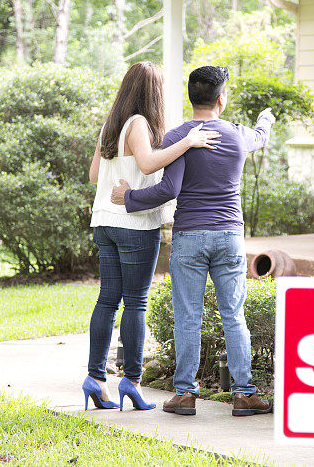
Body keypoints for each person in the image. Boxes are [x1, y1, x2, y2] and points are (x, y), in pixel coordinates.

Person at [111, 65, 275, 416]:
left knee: (188, 316)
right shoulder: (236, 135)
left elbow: (168, 189)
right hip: (230, 235)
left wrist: (128, 197)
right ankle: (244, 394)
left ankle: (185, 394)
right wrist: (266, 119)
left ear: (192, 98)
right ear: (221, 99)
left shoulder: (178, 136)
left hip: (189, 238)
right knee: (234, 315)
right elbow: (260, 136)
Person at [83, 61, 220, 412]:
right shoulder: (140, 123)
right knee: (136, 302)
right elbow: (146, 164)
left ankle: (95, 379)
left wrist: (121, 176)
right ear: (153, 92)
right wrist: (188, 142)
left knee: (107, 300)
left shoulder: (111, 124)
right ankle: (132, 381)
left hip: (105, 222)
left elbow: (95, 173)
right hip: (135, 223)